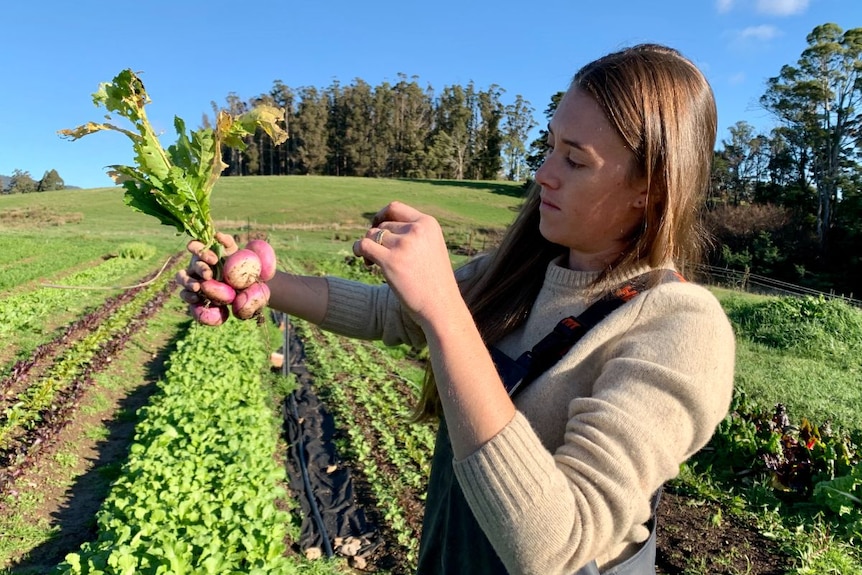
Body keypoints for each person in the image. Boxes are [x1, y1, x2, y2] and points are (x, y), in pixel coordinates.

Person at [177, 43, 735, 575]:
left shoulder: (680, 327)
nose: (543, 173)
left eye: (575, 159)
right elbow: (385, 313)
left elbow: (556, 546)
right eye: (549, 146)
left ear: (651, 190)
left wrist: (444, 308)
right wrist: (263, 285)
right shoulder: (521, 272)